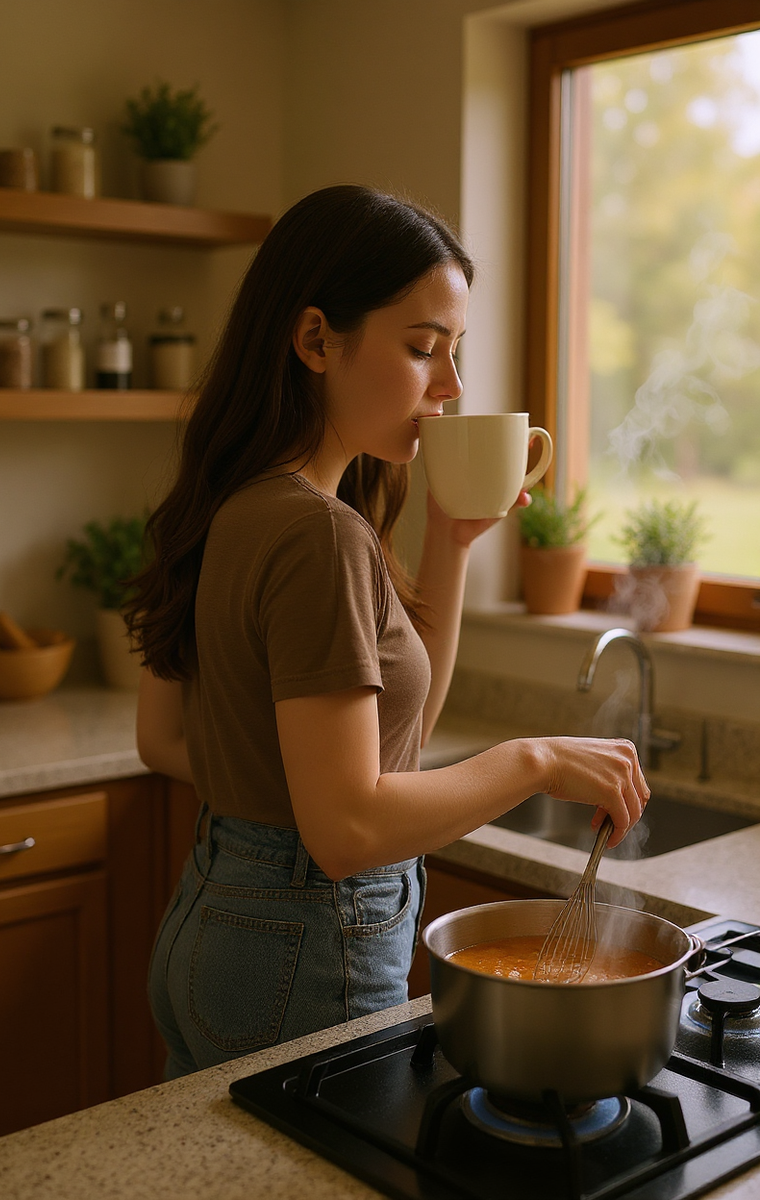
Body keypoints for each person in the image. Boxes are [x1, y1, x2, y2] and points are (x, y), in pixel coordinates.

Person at [128, 184, 648, 1080]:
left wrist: (449, 544)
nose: (450, 387)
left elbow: (167, 739)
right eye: (422, 350)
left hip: (215, 920)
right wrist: (537, 760)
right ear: (316, 339)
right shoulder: (319, 532)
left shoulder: (234, 504)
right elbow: (350, 826)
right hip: (302, 946)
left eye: (455, 354)